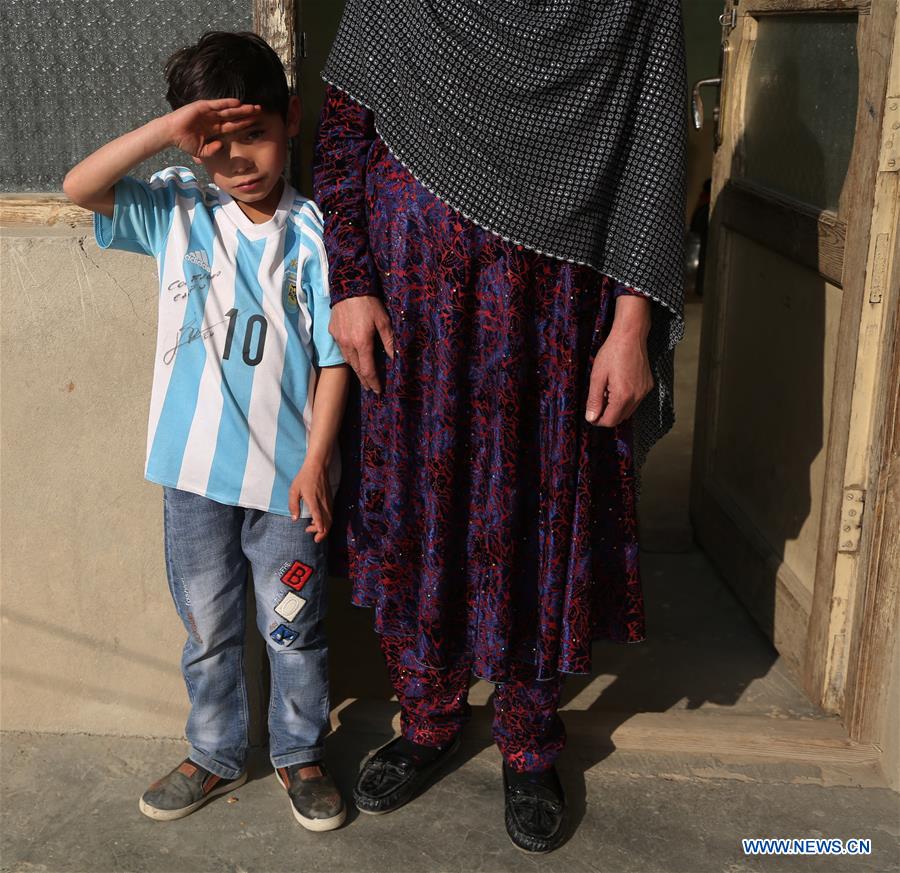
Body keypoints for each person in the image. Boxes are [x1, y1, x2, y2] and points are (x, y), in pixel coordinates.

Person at [314, 0, 686, 853]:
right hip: (412, 313)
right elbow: (341, 136)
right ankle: (428, 718)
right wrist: (351, 281)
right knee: (422, 515)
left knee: (536, 517)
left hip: (554, 315)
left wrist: (633, 326)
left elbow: (653, 152)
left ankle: (527, 739)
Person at [64, 31, 350, 831]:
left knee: (293, 628)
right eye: (215, 148)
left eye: (254, 135)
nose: (238, 162)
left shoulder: (316, 235)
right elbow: (79, 186)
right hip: (191, 483)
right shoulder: (178, 211)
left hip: (288, 488)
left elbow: (334, 362)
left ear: (290, 119)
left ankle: (299, 752)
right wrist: (169, 132)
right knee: (209, 628)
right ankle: (216, 752)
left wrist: (317, 462)